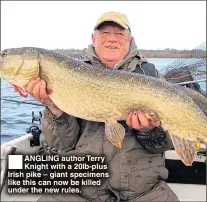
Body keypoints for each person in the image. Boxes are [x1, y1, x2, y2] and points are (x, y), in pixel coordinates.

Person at [25, 11, 179, 202]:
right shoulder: (71, 73)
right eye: (104, 33)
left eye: (119, 33)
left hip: (144, 191)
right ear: (93, 38)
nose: (111, 39)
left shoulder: (151, 76)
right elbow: (61, 145)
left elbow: (167, 142)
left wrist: (149, 130)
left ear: (129, 39)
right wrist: (53, 107)